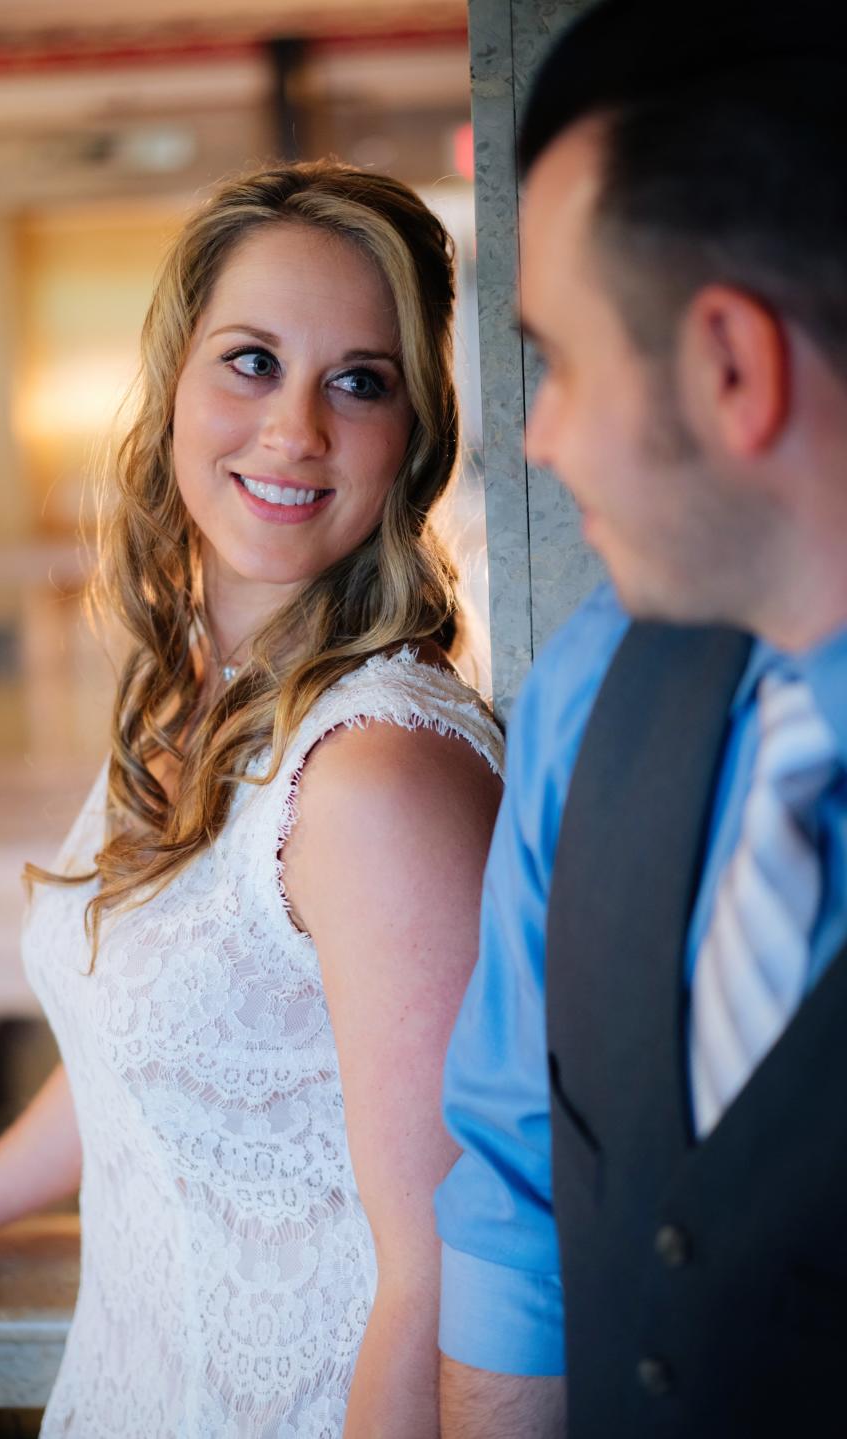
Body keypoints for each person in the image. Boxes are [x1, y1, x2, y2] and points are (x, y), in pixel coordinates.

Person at [0, 161, 504, 1438]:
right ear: (172, 380)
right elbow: (149, 1036)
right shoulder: (190, 704)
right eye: (251, 360)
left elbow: (445, 1272)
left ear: (416, 433)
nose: (295, 429)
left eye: (360, 380)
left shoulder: (372, 776)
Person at [436, 2, 847, 1436]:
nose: (536, 436)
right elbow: (516, 1198)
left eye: (557, 360)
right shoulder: (585, 695)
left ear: (731, 365)